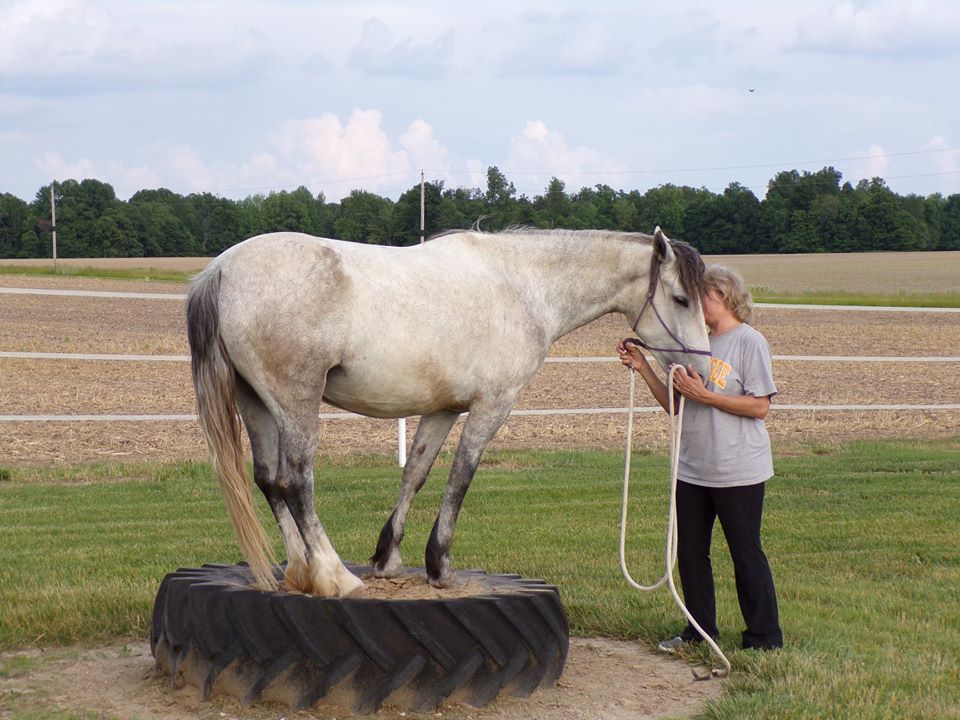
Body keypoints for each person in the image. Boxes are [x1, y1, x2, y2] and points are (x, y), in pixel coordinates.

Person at [617, 264, 783, 652]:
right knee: (690, 554)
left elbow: (759, 407)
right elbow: (674, 406)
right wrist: (643, 368)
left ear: (723, 296)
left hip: (738, 469)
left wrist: (707, 396)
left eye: (700, 297)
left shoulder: (749, 342)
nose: (693, 306)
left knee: (745, 553)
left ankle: (763, 638)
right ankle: (698, 632)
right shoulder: (695, 345)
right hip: (692, 468)